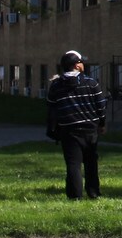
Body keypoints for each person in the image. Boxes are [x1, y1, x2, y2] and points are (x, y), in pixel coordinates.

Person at [45, 50, 109, 199]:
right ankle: (93, 192)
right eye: (81, 62)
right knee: (91, 162)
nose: (83, 64)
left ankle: (75, 196)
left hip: (68, 130)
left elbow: (51, 107)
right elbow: (101, 106)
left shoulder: (56, 86)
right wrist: (102, 123)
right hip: (90, 129)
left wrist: (53, 127)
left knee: (73, 164)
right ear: (76, 65)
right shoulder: (91, 83)